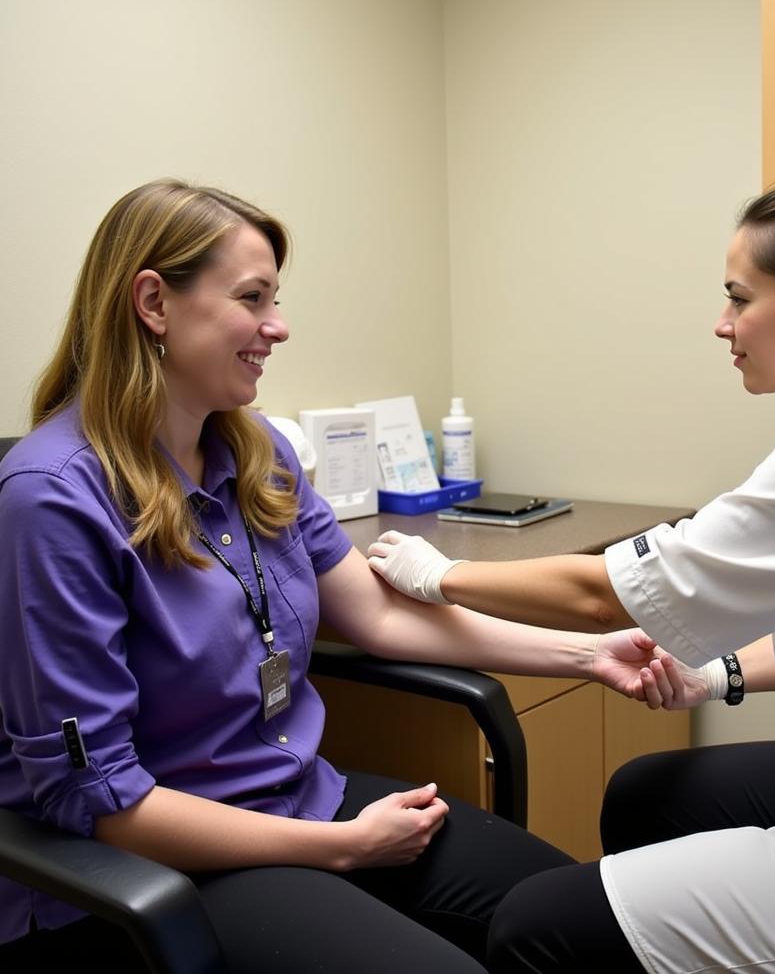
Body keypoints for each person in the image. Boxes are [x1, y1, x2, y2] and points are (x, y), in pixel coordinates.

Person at [0, 179, 668, 973]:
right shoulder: (54, 500)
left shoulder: (253, 453)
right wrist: (340, 850)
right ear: (154, 302)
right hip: (158, 864)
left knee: (580, 917)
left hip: (300, 795)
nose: (277, 327)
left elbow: (381, 617)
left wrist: (586, 656)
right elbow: (102, 802)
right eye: (253, 299)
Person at [367, 175, 775, 974]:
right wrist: (717, 677)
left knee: (533, 925)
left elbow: (599, 593)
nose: (722, 325)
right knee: (646, 793)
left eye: (739, 299)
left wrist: (442, 574)